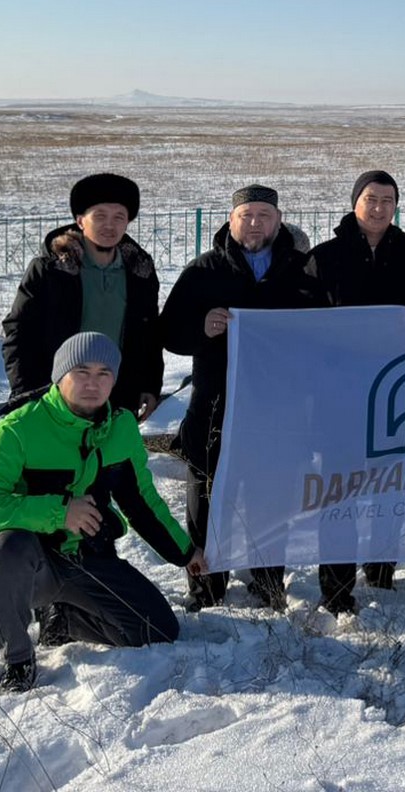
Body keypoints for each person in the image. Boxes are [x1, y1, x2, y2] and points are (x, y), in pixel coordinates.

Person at [0, 332, 206, 693]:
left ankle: (64, 620)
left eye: (104, 373)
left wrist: (185, 553)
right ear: (60, 375)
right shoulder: (20, 429)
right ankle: (18, 660)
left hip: (86, 558)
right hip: (32, 567)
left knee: (158, 629)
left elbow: (142, 501)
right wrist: (59, 513)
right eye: (82, 372)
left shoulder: (121, 427)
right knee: (7, 547)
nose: (93, 383)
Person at [159, 184, 324, 612]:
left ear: (279, 221)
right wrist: (202, 327)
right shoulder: (204, 270)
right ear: (231, 220)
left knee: (271, 497)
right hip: (215, 405)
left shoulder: (302, 271)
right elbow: (169, 331)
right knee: (207, 497)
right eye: (246, 215)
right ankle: (206, 586)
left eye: (264, 216)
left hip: (278, 410)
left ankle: (268, 584)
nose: (254, 224)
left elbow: (325, 330)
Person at [303, 169, 405, 613]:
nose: (379, 208)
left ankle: (381, 575)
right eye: (371, 198)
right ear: (355, 202)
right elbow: (300, 318)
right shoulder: (325, 258)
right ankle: (336, 589)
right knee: (339, 495)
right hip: (338, 397)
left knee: (390, 490)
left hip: (393, 394)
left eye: (387, 200)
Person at [1, 173, 162, 421]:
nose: (110, 226)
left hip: (119, 395)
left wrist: (150, 385)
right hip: (57, 396)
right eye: (100, 216)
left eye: (119, 217)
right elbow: (19, 332)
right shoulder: (51, 271)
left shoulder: (140, 273)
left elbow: (149, 334)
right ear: (80, 221)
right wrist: (26, 392)